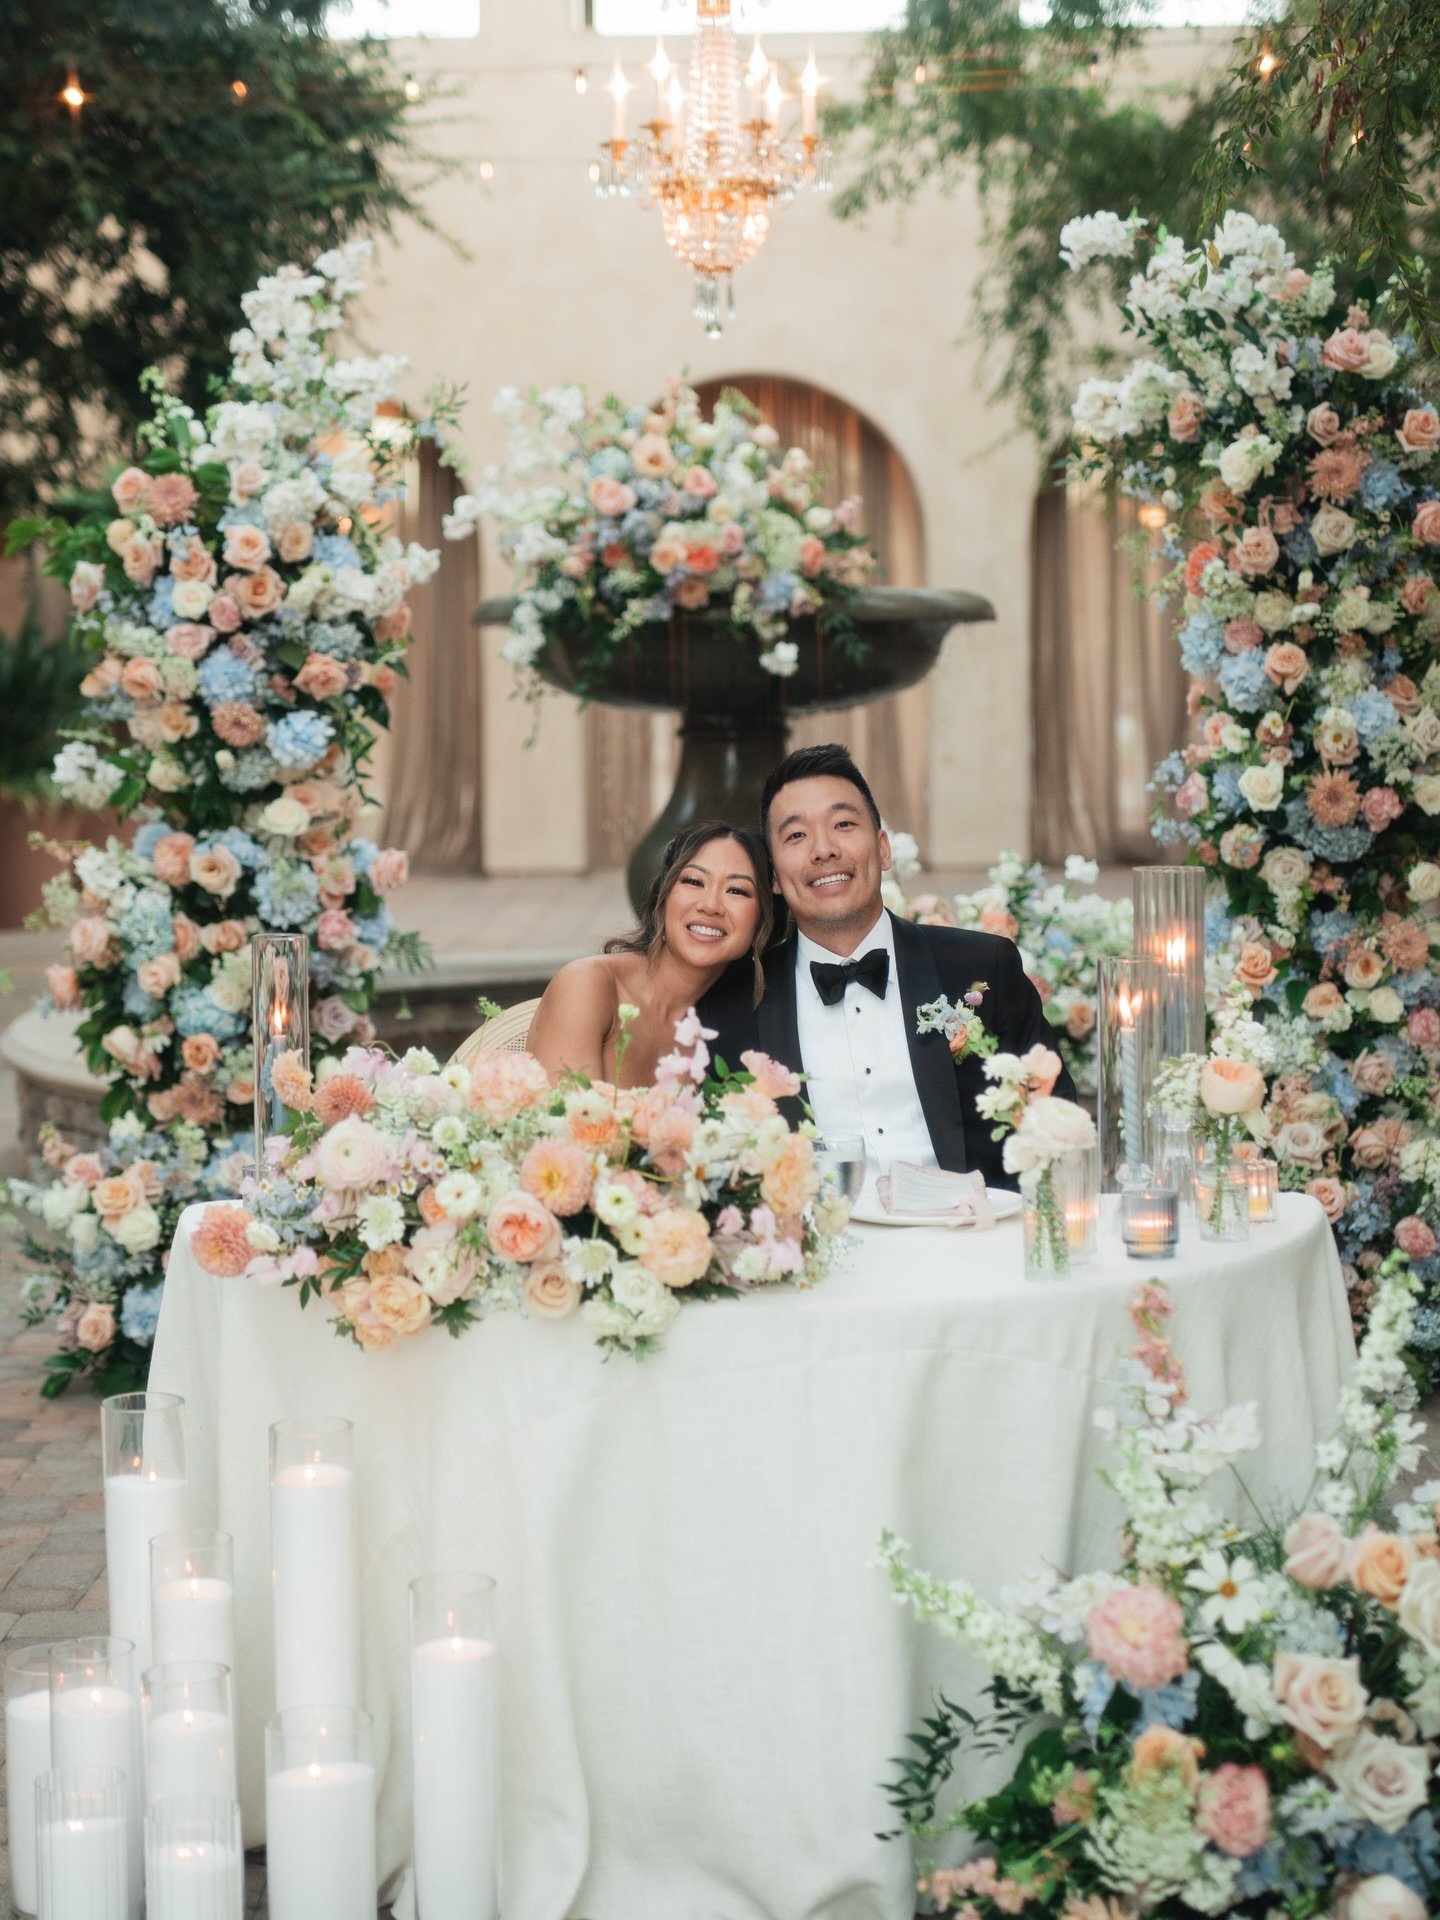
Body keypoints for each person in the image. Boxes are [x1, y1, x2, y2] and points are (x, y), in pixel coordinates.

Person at [698, 743, 1077, 1190]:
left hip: (968, 1241)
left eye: (843, 824)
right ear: (775, 877)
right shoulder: (732, 1004)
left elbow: (1058, 1126)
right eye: (796, 836)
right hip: (820, 1249)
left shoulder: (982, 968)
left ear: (883, 848)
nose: (823, 849)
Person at [528, 820, 774, 1087]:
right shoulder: (588, 985)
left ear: (762, 920)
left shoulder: (733, 1028)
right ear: (664, 896)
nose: (711, 905)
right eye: (694, 881)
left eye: (736, 890)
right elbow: (569, 1122)